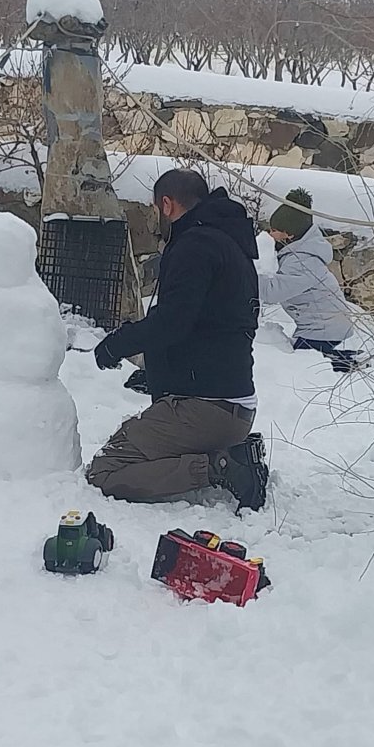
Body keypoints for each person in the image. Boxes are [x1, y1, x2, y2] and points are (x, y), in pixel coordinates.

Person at [87, 169, 268, 512]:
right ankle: (230, 455)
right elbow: (205, 323)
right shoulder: (225, 241)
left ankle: (220, 467)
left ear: (166, 205)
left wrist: (116, 345)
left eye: (155, 209)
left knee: (105, 469)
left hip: (206, 407)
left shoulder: (195, 247)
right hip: (231, 406)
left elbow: (172, 322)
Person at [260, 188, 363, 373]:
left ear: (288, 234)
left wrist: (242, 275)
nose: (269, 233)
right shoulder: (299, 252)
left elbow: (271, 292)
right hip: (323, 328)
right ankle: (345, 361)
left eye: (274, 230)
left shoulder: (303, 261)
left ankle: (346, 362)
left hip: (323, 331)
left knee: (299, 371)